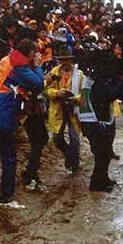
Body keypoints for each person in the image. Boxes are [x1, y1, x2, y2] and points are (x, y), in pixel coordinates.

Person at [0, 38, 45, 208]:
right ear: (30, 53)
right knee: (9, 157)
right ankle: (6, 197)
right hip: (3, 112)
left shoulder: (7, 58)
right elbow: (39, 84)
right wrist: (38, 66)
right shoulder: (19, 67)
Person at [77, 49, 123, 192]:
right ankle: (97, 183)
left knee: (103, 154)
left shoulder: (91, 79)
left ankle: (103, 179)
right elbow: (109, 95)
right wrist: (120, 82)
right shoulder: (96, 81)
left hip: (92, 121)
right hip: (96, 123)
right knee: (102, 155)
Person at [44, 45, 83, 174]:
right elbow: (46, 90)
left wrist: (75, 98)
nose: (65, 63)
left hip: (73, 110)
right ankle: (69, 156)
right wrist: (56, 93)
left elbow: (84, 93)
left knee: (75, 139)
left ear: (71, 60)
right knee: (56, 138)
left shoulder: (79, 74)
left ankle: (74, 165)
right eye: (62, 60)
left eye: (67, 60)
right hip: (58, 109)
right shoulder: (54, 72)